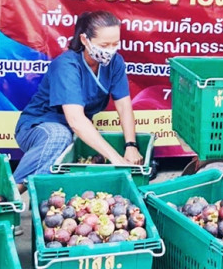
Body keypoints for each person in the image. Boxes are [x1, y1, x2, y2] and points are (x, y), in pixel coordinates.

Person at [12, 11, 143, 193]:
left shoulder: (115, 63)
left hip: (73, 132)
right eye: (104, 45)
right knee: (60, 136)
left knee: (86, 152)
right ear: (84, 40)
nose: (110, 50)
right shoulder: (66, 65)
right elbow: (76, 120)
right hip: (37, 127)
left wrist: (131, 145)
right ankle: (13, 195)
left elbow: (124, 106)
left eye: (115, 44)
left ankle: (37, 197)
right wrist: (116, 159)